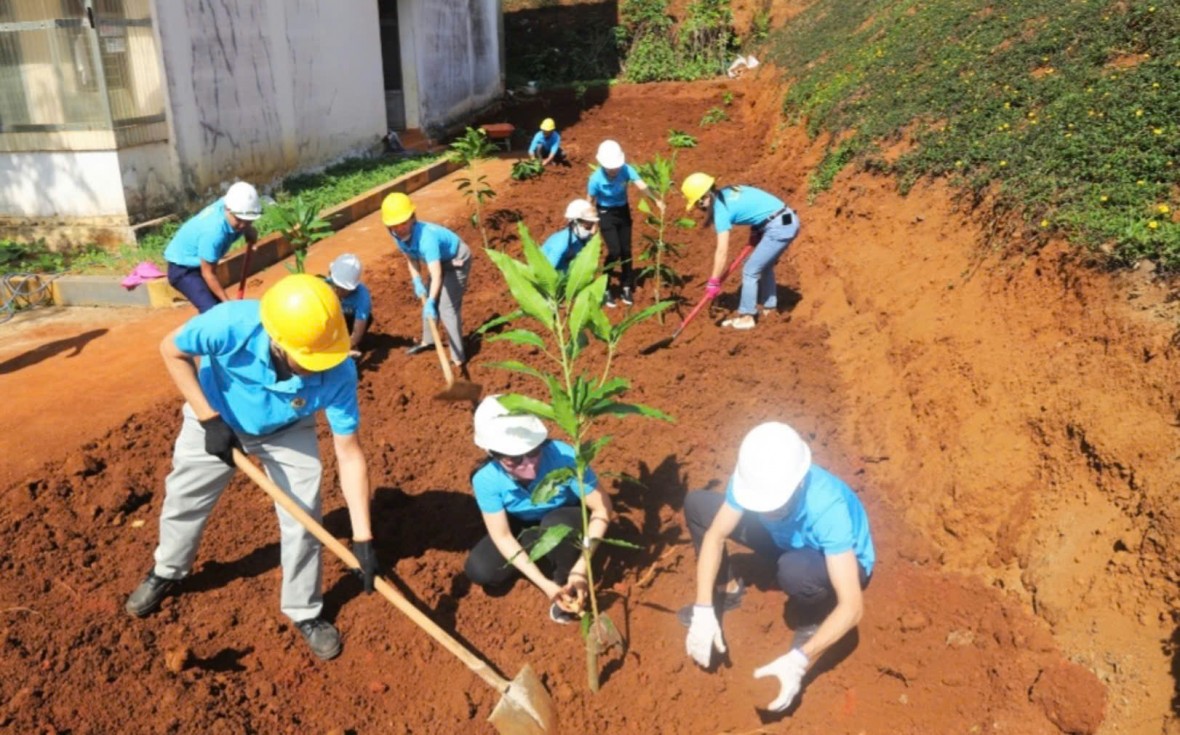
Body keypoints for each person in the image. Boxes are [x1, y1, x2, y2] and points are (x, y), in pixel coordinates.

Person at [124, 274, 378, 662]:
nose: (316, 368)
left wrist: (363, 537)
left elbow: (349, 452)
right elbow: (170, 349)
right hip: (216, 415)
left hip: (287, 427)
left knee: (304, 516)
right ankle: (168, 570)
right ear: (278, 341)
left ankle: (304, 610)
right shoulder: (229, 323)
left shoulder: (337, 368)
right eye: (307, 360)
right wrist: (209, 420)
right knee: (185, 498)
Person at [682, 422, 874, 713]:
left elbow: (852, 607)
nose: (767, 512)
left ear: (797, 484)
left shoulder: (826, 506)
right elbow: (716, 534)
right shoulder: (755, 480)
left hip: (838, 561)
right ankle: (728, 590)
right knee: (698, 505)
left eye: (776, 505)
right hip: (786, 541)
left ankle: (812, 620)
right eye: (762, 505)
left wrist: (800, 661)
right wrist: (704, 608)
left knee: (793, 570)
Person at [465, 395, 613, 623]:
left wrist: (579, 571)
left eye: (534, 451)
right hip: (523, 524)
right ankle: (542, 552)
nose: (529, 465)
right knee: (481, 570)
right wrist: (544, 585)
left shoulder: (564, 456)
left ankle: (566, 582)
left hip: (566, 515)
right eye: (514, 459)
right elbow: (502, 536)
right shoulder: (486, 480)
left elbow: (602, 509)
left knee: (556, 524)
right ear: (491, 453)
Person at [681, 173, 800, 331]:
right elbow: (756, 203)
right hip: (784, 219)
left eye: (697, 203)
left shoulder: (720, 210)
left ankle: (747, 317)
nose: (699, 208)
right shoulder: (730, 191)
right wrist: (757, 228)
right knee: (763, 266)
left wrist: (714, 281)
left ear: (705, 197)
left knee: (750, 270)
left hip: (780, 226)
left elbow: (722, 251)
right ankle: (769, 310)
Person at [381, 192, 473, 369]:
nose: (400, 228)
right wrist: (417, 280)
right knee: (429, 303)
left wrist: (431, 300)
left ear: (413, 218)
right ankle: (428, 341)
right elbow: (412, 259)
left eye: (404, 223)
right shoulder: (397, 236)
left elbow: (436, 274)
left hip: (456, 260)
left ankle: (458, 358)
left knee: (446, 307)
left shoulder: (426, 239)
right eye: (394, 225)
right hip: (438, 262)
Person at [587, 139, 665, 308]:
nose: (614, 170)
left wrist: (656, 200)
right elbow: (590, 201)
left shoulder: (626, 170)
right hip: (605, 213)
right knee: (614, 251)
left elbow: (641, 185)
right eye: (610, 167)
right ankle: (605, 287)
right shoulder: (595, 179)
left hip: (622, 211)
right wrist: (592, 224)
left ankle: (626, 285)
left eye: (616, 166)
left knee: (626, 250)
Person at [163, 181, 262, 313]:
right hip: (183, 270)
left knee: (218, 307)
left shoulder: (230, 206)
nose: (243, 225)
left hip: (198, 263)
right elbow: (208, 274)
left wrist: (248, 229)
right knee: (213, 311)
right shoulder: (214, 233)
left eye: (248, 220)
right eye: (239, 219)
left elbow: (243, 219)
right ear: (228, 209)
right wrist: (228, 305)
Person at [325, 253, 373, 358]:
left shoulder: (362, 298)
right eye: (337, 286)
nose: (339, 290)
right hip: (330, 322)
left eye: (343, 288)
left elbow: (357, 331)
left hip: (348, 322)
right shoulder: (325, 285)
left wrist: (345, 349)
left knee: (367, 318)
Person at [540, 198, 599, 272]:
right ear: (575, 222)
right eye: (588, 225)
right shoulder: (561, 243)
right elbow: (546, 272)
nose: (591, 229)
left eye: (592, 224)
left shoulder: (583, 239)